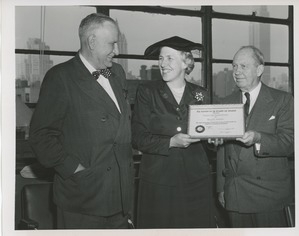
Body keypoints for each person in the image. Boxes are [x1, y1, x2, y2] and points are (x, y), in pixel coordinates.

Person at [29, 13, 134, 229]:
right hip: (83, 197)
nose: (116, 50)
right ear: (92, 42)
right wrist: (74, 169)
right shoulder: (60, 77)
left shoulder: (118, 73)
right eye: (112, 43)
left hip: (120, 196)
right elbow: (41, 136)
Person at [132, 36, 215, 228]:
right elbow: (138, 137)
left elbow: (209, 136)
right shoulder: (147, 91)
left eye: (169, 58)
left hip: (196, 181)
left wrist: (215, 139)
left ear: (186, 62)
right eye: (161, 59)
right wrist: (170, 142)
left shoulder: (201, 94)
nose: (163, 64)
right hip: (159, 181)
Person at [216, 45, 294, 227]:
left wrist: (259, 138)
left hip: (269, 195)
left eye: (243, 66)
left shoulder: (282, 100)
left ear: (259, 69)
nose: (237, 71)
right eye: (234, 66)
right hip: (235, 193)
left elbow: (290, 143)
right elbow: (222, 151)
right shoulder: (226, 102)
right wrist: (221, 187)